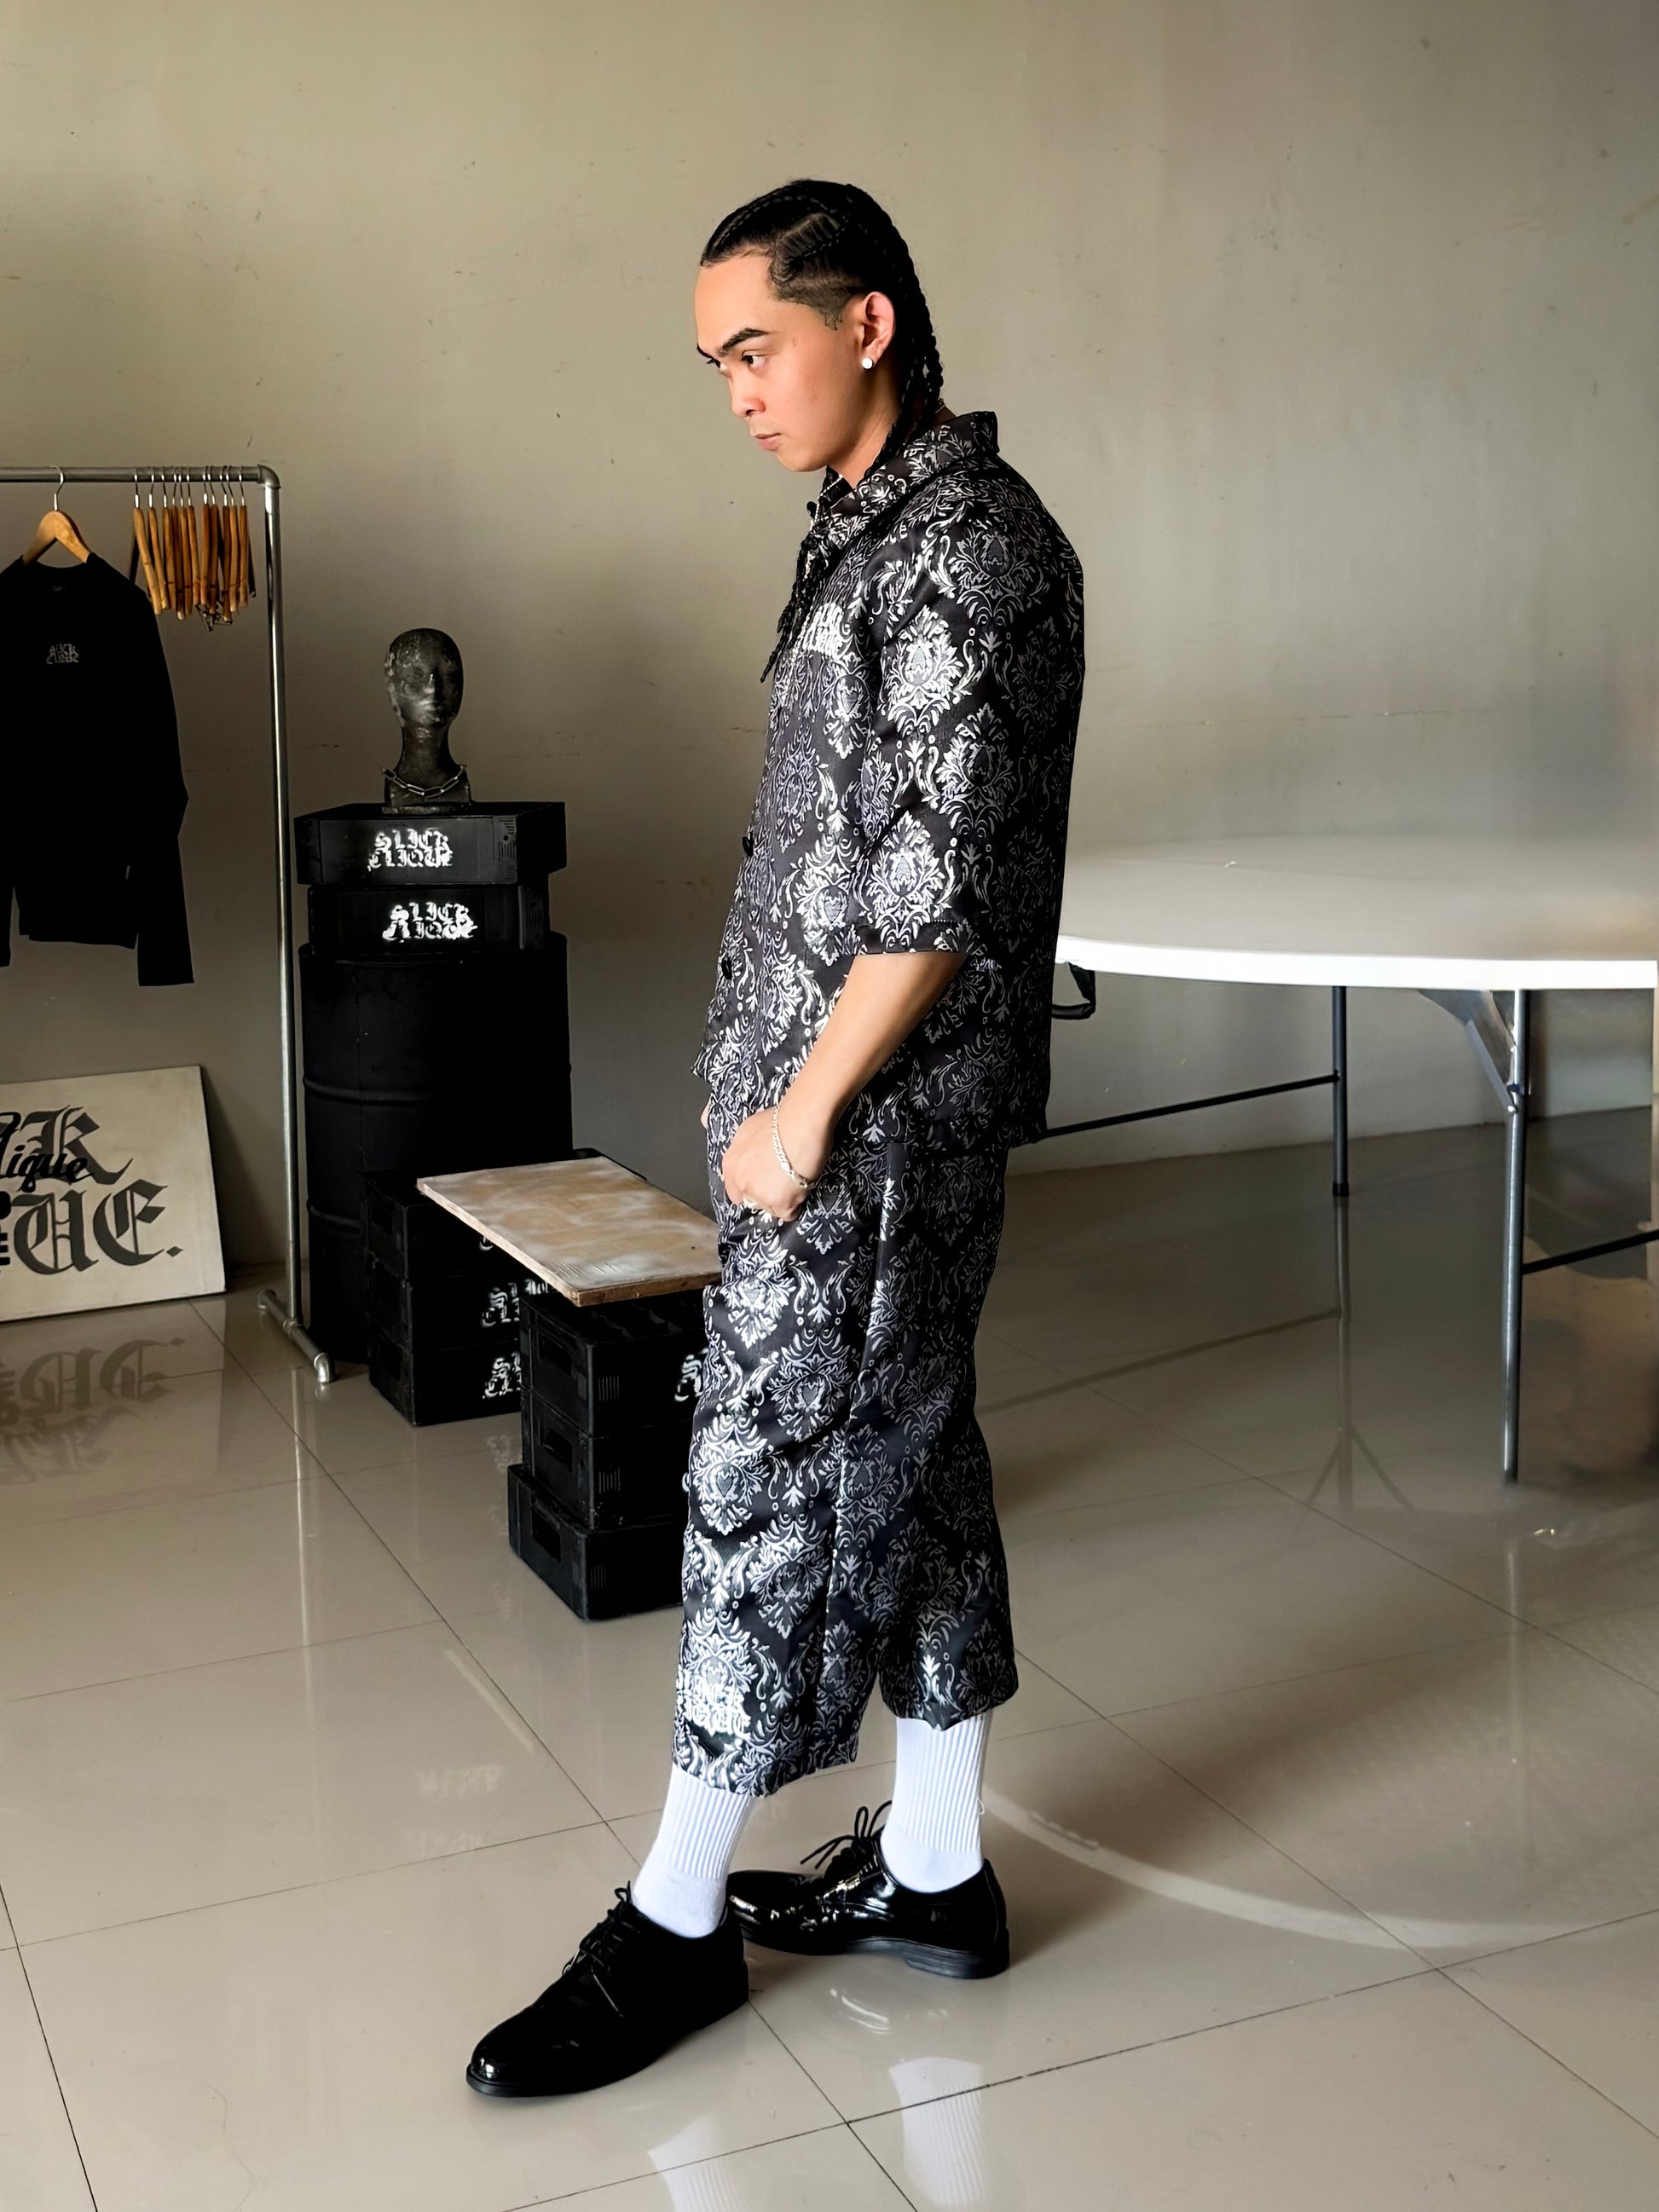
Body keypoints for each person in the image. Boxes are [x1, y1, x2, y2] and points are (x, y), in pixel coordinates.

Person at [468, 178, 1084, 2099]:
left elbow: (932, 894)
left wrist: (802, 1116)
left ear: (867, 322)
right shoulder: (861, 527)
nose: (735, 391)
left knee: (761, 1475)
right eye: (714, 363)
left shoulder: (972, 551)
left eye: (756, 348)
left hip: (870, 1137)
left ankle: (672, 1919)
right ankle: (938, 1869)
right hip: (821, 1116)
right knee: (916, 1462)